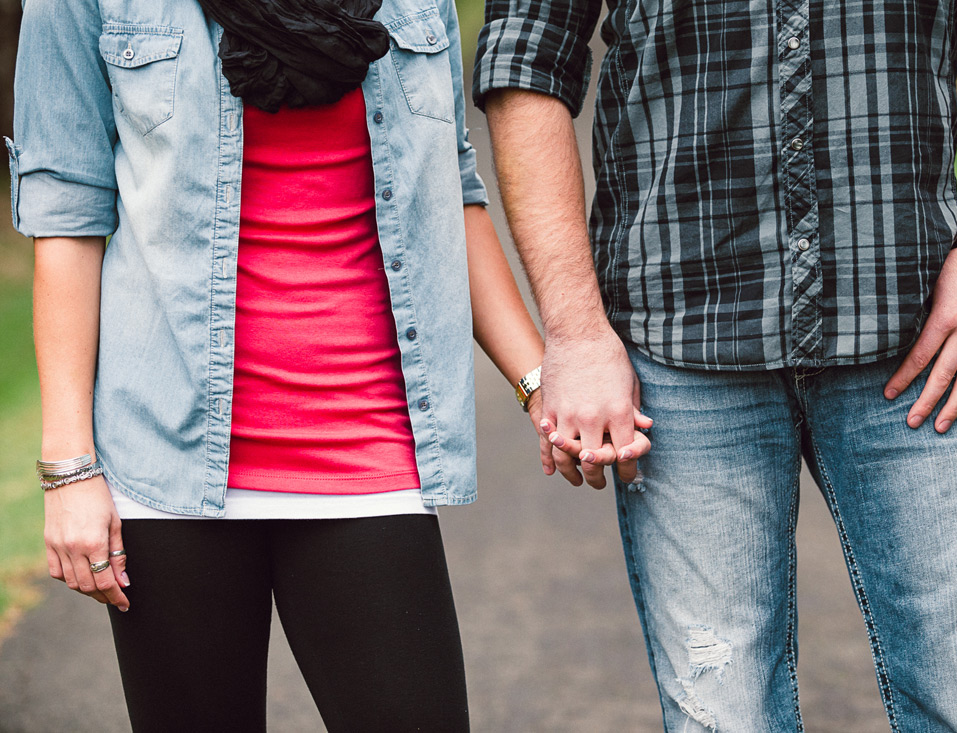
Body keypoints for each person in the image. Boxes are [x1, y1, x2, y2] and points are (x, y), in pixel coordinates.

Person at [474, 0, 957, 730]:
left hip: (910, 332)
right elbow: (526, 58)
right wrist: (573, 333)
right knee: (722, 716)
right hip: (681, 340)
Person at [4, 0, 603, 729]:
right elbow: (68, 209)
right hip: (171, 463)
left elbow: (451, 192)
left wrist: (542, 380)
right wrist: (70, 467)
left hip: (369, 450)